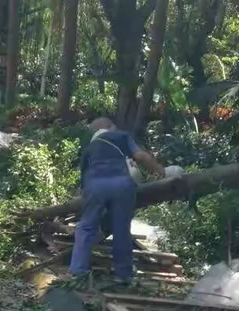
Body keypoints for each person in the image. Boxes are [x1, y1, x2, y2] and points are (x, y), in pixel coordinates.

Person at [69, 117, 166, 283]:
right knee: (121, 229)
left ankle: (78, 272)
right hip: (122, 186)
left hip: (94, 187)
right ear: (109, 126)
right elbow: (140, 156)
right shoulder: (121, 136)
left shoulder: (89, 148)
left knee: (86, 227)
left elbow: (83, 183)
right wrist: (162, 172)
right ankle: (124, 275)